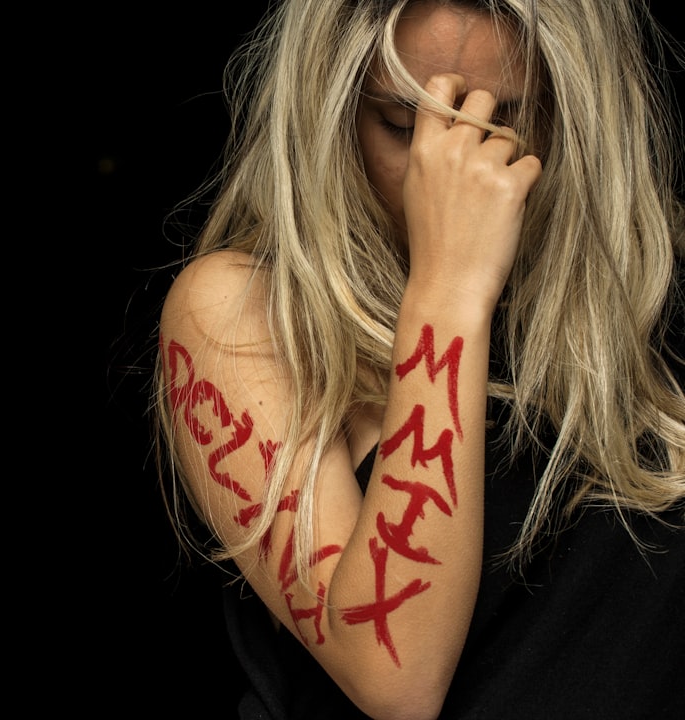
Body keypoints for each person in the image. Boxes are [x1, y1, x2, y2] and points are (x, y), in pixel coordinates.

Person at [150, 1, 685, 718]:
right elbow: (396, 683)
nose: (450, 167)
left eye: (500, 129)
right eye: (404, 126)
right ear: (335, 113)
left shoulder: (653, 300)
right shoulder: (243, 311)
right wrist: (451, 287)